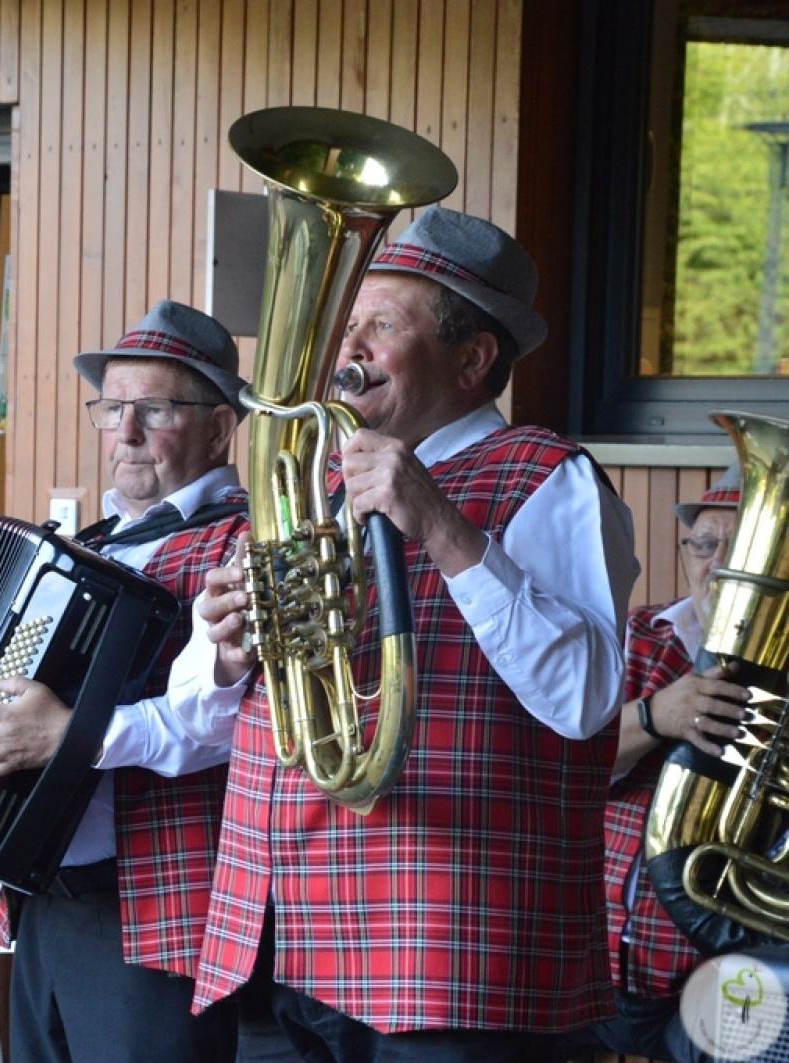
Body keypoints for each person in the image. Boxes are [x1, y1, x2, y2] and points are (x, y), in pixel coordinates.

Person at [168, 207, 640, 1061]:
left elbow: (585, 701)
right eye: (351, 325)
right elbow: (203, 715)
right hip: (297, 937)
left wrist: (443, 527)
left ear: (472, 359)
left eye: (381, 326)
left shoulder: (548, 478)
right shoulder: (310, 486)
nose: (348, 352)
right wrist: (227, 655)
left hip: (454, 954)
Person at [0, 300, 282, 1063]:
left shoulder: (247, 540)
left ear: (218, 426)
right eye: (112, 408)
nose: (126, 432)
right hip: (43, 895)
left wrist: (67, 736)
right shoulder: (82, 545)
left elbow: (237, 727)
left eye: (155, 409)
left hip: (158, 907)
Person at [559, 469, 750, 1063]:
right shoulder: (634, 635)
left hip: (718, 969)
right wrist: (653, 715)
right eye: (703, 543)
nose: (716, 563)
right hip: (582, 962)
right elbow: (555, 757)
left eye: (738, 546)